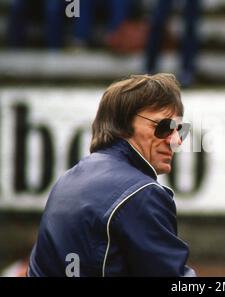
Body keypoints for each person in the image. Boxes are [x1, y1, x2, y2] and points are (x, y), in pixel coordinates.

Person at [28, 74, 195, 277]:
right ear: (123, 125)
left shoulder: (67, 180)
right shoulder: (142, 194)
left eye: (180, 130)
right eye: (164, 127)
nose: (176, 141)